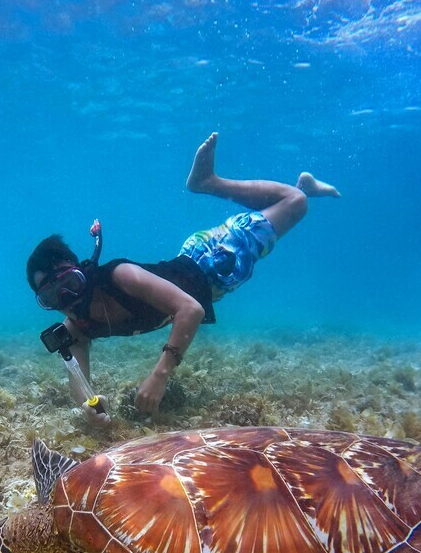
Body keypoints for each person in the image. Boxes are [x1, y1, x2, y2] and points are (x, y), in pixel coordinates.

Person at [27, 132, 339, 426]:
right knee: (285, 208)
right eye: (53, 298)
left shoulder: (118, 276)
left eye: (69, 285)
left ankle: (208, 182)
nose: (68, 300)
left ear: (82, 271)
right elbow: (78, 379)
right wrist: (89, 407)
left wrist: (160, 375)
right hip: (201, 267)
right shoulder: (77, 327)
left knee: (295, 204)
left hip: (214, 260)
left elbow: (191, 310)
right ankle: (303, 186)